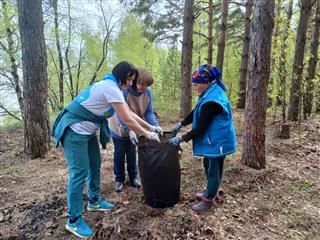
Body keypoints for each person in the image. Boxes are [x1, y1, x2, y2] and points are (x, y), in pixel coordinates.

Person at [51, 61, 160, 238]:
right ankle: (73, 220)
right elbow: (128, 119)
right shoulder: (110, 88)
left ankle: (93, 201)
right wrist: (147, 134)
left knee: (95, 165)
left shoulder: (115, 88)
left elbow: (130, 114)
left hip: (88, 132)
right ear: (122, 78)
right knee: (79, 173)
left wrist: (151, 127)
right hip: (74, 131)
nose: (132, 83)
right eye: (130, 79)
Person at [169, 64, 237, 213]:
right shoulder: (209, 93)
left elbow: (200, 128)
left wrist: (181, 139)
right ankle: (210, 191)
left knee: (214, 168)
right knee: (208, 163)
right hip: (214, 138)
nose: (195, 87)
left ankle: (209, 199)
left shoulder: (212, 100)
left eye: (197, 84)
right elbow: (196, 112)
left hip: (219, 140)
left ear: (206, 82)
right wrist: (181, 123)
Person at [109, 68, 162, 192]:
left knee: (132, 151)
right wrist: (129, 130)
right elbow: (121, 114)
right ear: (134, 81)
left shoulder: (147, 93)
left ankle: (133, 177)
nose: (143, 87)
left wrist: (154, 126)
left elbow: (148, 112)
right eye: (141, 84)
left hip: (136, 125)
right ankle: (119, 179)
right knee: (120, 152)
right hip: (119, 126)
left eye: (146, 85)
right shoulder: (125, 92)